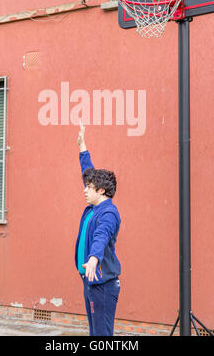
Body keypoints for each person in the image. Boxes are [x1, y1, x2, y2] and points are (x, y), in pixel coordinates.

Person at [75, 123, 121, 336]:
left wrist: (93, 258)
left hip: (103, 284)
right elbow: (88, 172)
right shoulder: (95, 207)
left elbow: (101, 236)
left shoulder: (108, 214)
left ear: (101, 190)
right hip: (90, 280)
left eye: (89, 188)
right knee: (95, 334)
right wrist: (83, 147)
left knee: (102, 336)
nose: (84, 190)